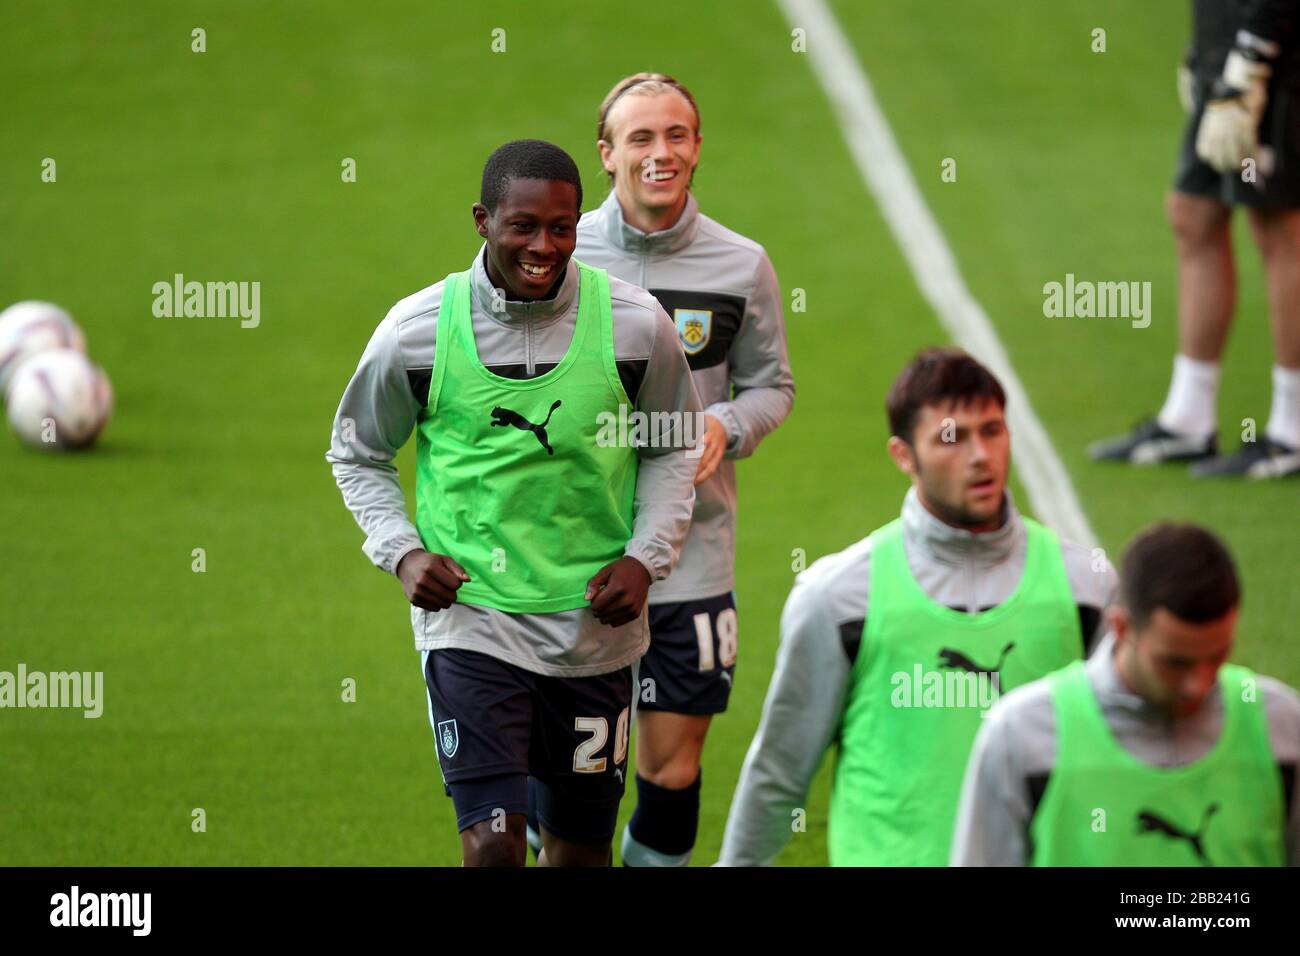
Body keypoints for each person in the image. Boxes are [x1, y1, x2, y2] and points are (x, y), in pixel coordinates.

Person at [326, 139, 703, 866]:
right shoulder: (418, 332)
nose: (544, 246)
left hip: (593, 630)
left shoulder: (635, 326)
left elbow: (674, 444)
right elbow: (357, 450)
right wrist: (403, 553)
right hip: (474, 626)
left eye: (561, 227)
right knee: (493, 849)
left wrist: (645, 559)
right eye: (523, 226)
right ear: (482, 220)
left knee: (578, 853)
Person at [717, 348, 1115, 866]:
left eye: (992, 430)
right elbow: (781, 769)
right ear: (904, 456)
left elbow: (1127, 753)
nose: (980, 456)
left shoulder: (1088, 586)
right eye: (953, 437)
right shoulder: (836, 597)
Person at [538, 72, 794, 868]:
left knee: (670, 771)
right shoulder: (558, 254)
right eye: (640, 138)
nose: (661, 153)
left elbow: (771, 387)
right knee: (575, 791)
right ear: (607, 154)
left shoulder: (741, 266)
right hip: (575, 559)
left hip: (690, 563)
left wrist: (727, 424)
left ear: (697, 147)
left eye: (676, 135)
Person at [952, 522, 1300, 866]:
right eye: (1175, 663)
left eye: (1218, 656)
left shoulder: (1282, 728)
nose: (1199, 683)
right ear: (1120, 627)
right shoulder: (1022, 735)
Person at [1090, 0, 1300, 478]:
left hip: (1269, 59)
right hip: (1224, 54)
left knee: (1276, 226)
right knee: (1193, 214)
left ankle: (1293, 430)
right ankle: (1188, 418)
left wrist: (1251, 59)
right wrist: (1206, 49)